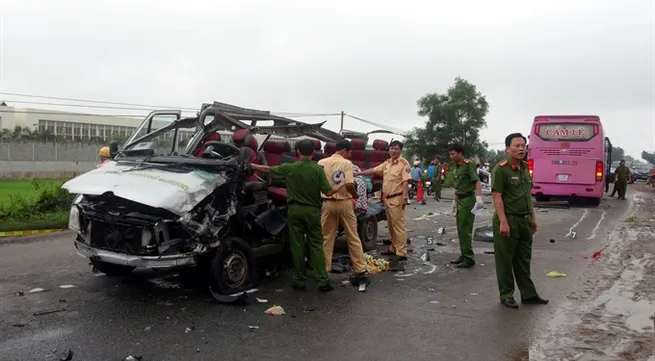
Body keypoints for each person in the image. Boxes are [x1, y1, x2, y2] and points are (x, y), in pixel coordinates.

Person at [250, 139, 344, 292]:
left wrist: (252, 165)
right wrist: (339, 186)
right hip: (312, 212)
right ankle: (323, 281)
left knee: (297, 246)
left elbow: (268, 169)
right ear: (313, 152)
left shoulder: (289, 168)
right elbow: (328, 192)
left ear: (298, 152)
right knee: (316, 245)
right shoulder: (317, 170)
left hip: (294, 211)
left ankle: (299, 281)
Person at [491, 133, 549, 309]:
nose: (521, 148)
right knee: (505, 260)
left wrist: (533, 218)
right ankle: (506, 295)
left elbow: (527, 196)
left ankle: (528, 294)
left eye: (523, 145)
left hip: (524, 220)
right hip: (508, 219)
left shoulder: (524, 168)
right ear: (507, 148)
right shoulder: (500, 169)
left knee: (523, 259)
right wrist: (503, 222)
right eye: (516, 146)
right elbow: (497, 197)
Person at [317, 140, 369, 285]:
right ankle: (360, 268)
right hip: (345, 203)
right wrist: (355, 195)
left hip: (327, 203)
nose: (350, 154)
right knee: (352, 236)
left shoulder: (321, 162)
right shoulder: (346, 163)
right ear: (345, 151)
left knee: (326, 237)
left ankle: (324, 269)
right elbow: (350, 184)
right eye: (350, 152)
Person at [356, 140, 411, 260]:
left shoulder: (403, 164)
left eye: (396, 149)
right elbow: (374, 170)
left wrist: (405, 198)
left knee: (399, 226)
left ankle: (401, 252)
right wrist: (358, 173)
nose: (393, 150)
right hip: (387, 199)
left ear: (400, 150)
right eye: (391, 148)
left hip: (397, 198)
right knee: (391, 225)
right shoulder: (387, 163)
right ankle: (393, 248)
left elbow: (406, 181)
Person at [447, 144, 484, 268]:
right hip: (460, 200)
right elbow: (459, 185)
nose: (451, 156)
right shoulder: (456, 167)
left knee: (465, 229)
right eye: (450, 154)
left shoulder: (468, 164)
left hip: (468, 200)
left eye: (453, 154)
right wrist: (455, 199)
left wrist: (479, 197)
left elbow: (476, 181)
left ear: (460, 153)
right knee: (460, 229)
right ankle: (464, 254)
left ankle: (469, 258)